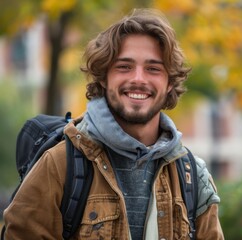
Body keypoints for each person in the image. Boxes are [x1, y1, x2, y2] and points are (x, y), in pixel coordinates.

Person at [3, 8, 224, 240]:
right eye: (124, 66)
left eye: (153, 68)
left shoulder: (192, 176)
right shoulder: (59, 165)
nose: (138, 78)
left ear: (169, 83)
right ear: (103, 78)